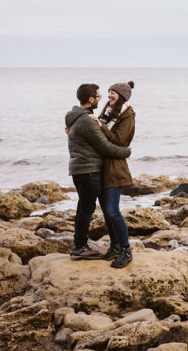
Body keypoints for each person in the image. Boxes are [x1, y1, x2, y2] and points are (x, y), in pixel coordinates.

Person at [66, 83, 131, 260]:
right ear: (91, 99)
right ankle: (80, 247)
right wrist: (127, 152)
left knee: (90, 208)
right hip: (88, 171)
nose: (103, 98)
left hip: (83, 170)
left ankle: (114, 246)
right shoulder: (88, 120)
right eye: (100, 96)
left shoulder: (76, 117)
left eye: (111, 94)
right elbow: (105, 147)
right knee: (88, 210)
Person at [97, 80, 136, 268]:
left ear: (122, 97)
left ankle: (126, 250)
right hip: (103, 166)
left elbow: (120, 141)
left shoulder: (127, 116)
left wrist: (100, 126)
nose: (109, 95)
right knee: (106, 210)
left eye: (113, 92)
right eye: (109, 91)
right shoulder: (108, 112)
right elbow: (98, 132)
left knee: (113, 211)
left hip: (115, 167)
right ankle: (114, 246)